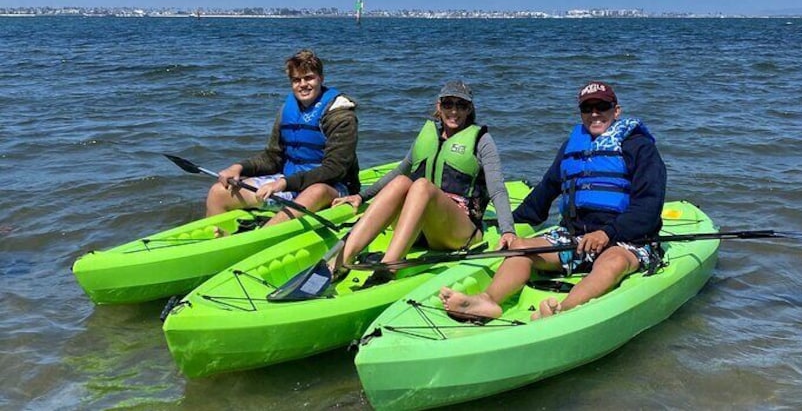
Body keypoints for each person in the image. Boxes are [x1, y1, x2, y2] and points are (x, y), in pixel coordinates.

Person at [440, 80, 667, 320]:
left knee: (613, 261)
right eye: (587, 108)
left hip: (625, 239)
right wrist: (505, 226)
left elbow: (649, 207)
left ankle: (562, 310)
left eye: (602, 106)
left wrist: (608, 233)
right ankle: (488, 301)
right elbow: (545, 192)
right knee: (521, 248)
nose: (595, 114)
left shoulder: (639, 147)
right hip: (577, 239)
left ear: (616, 110)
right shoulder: (573, 146)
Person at [330, 81, 517, 284]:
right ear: (439, 106)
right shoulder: (429, 135)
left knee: (420, 186)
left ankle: (389, 267)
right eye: (448, 104)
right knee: (402, 181)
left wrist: (508, 230)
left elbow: (497, 188)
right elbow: (400, 170)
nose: (454, 111)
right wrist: (360, 196)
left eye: (461, 105)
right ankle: (340, 261)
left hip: (460, 230)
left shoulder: (482, 140)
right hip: (423, 229)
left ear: (469, 109)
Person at [205, 49, 360, 233]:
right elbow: (273, 157)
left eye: (309, 78)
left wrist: (283, 183)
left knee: (316, 191)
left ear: (321, 78)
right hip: (289, 184)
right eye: (296, 80)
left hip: (332, 188)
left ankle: (257, 241)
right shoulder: (288, 110)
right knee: (218, 193)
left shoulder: (341, 116)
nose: (303, 85)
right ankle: (214, 240)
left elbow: (335, 170)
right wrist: (239, 168)